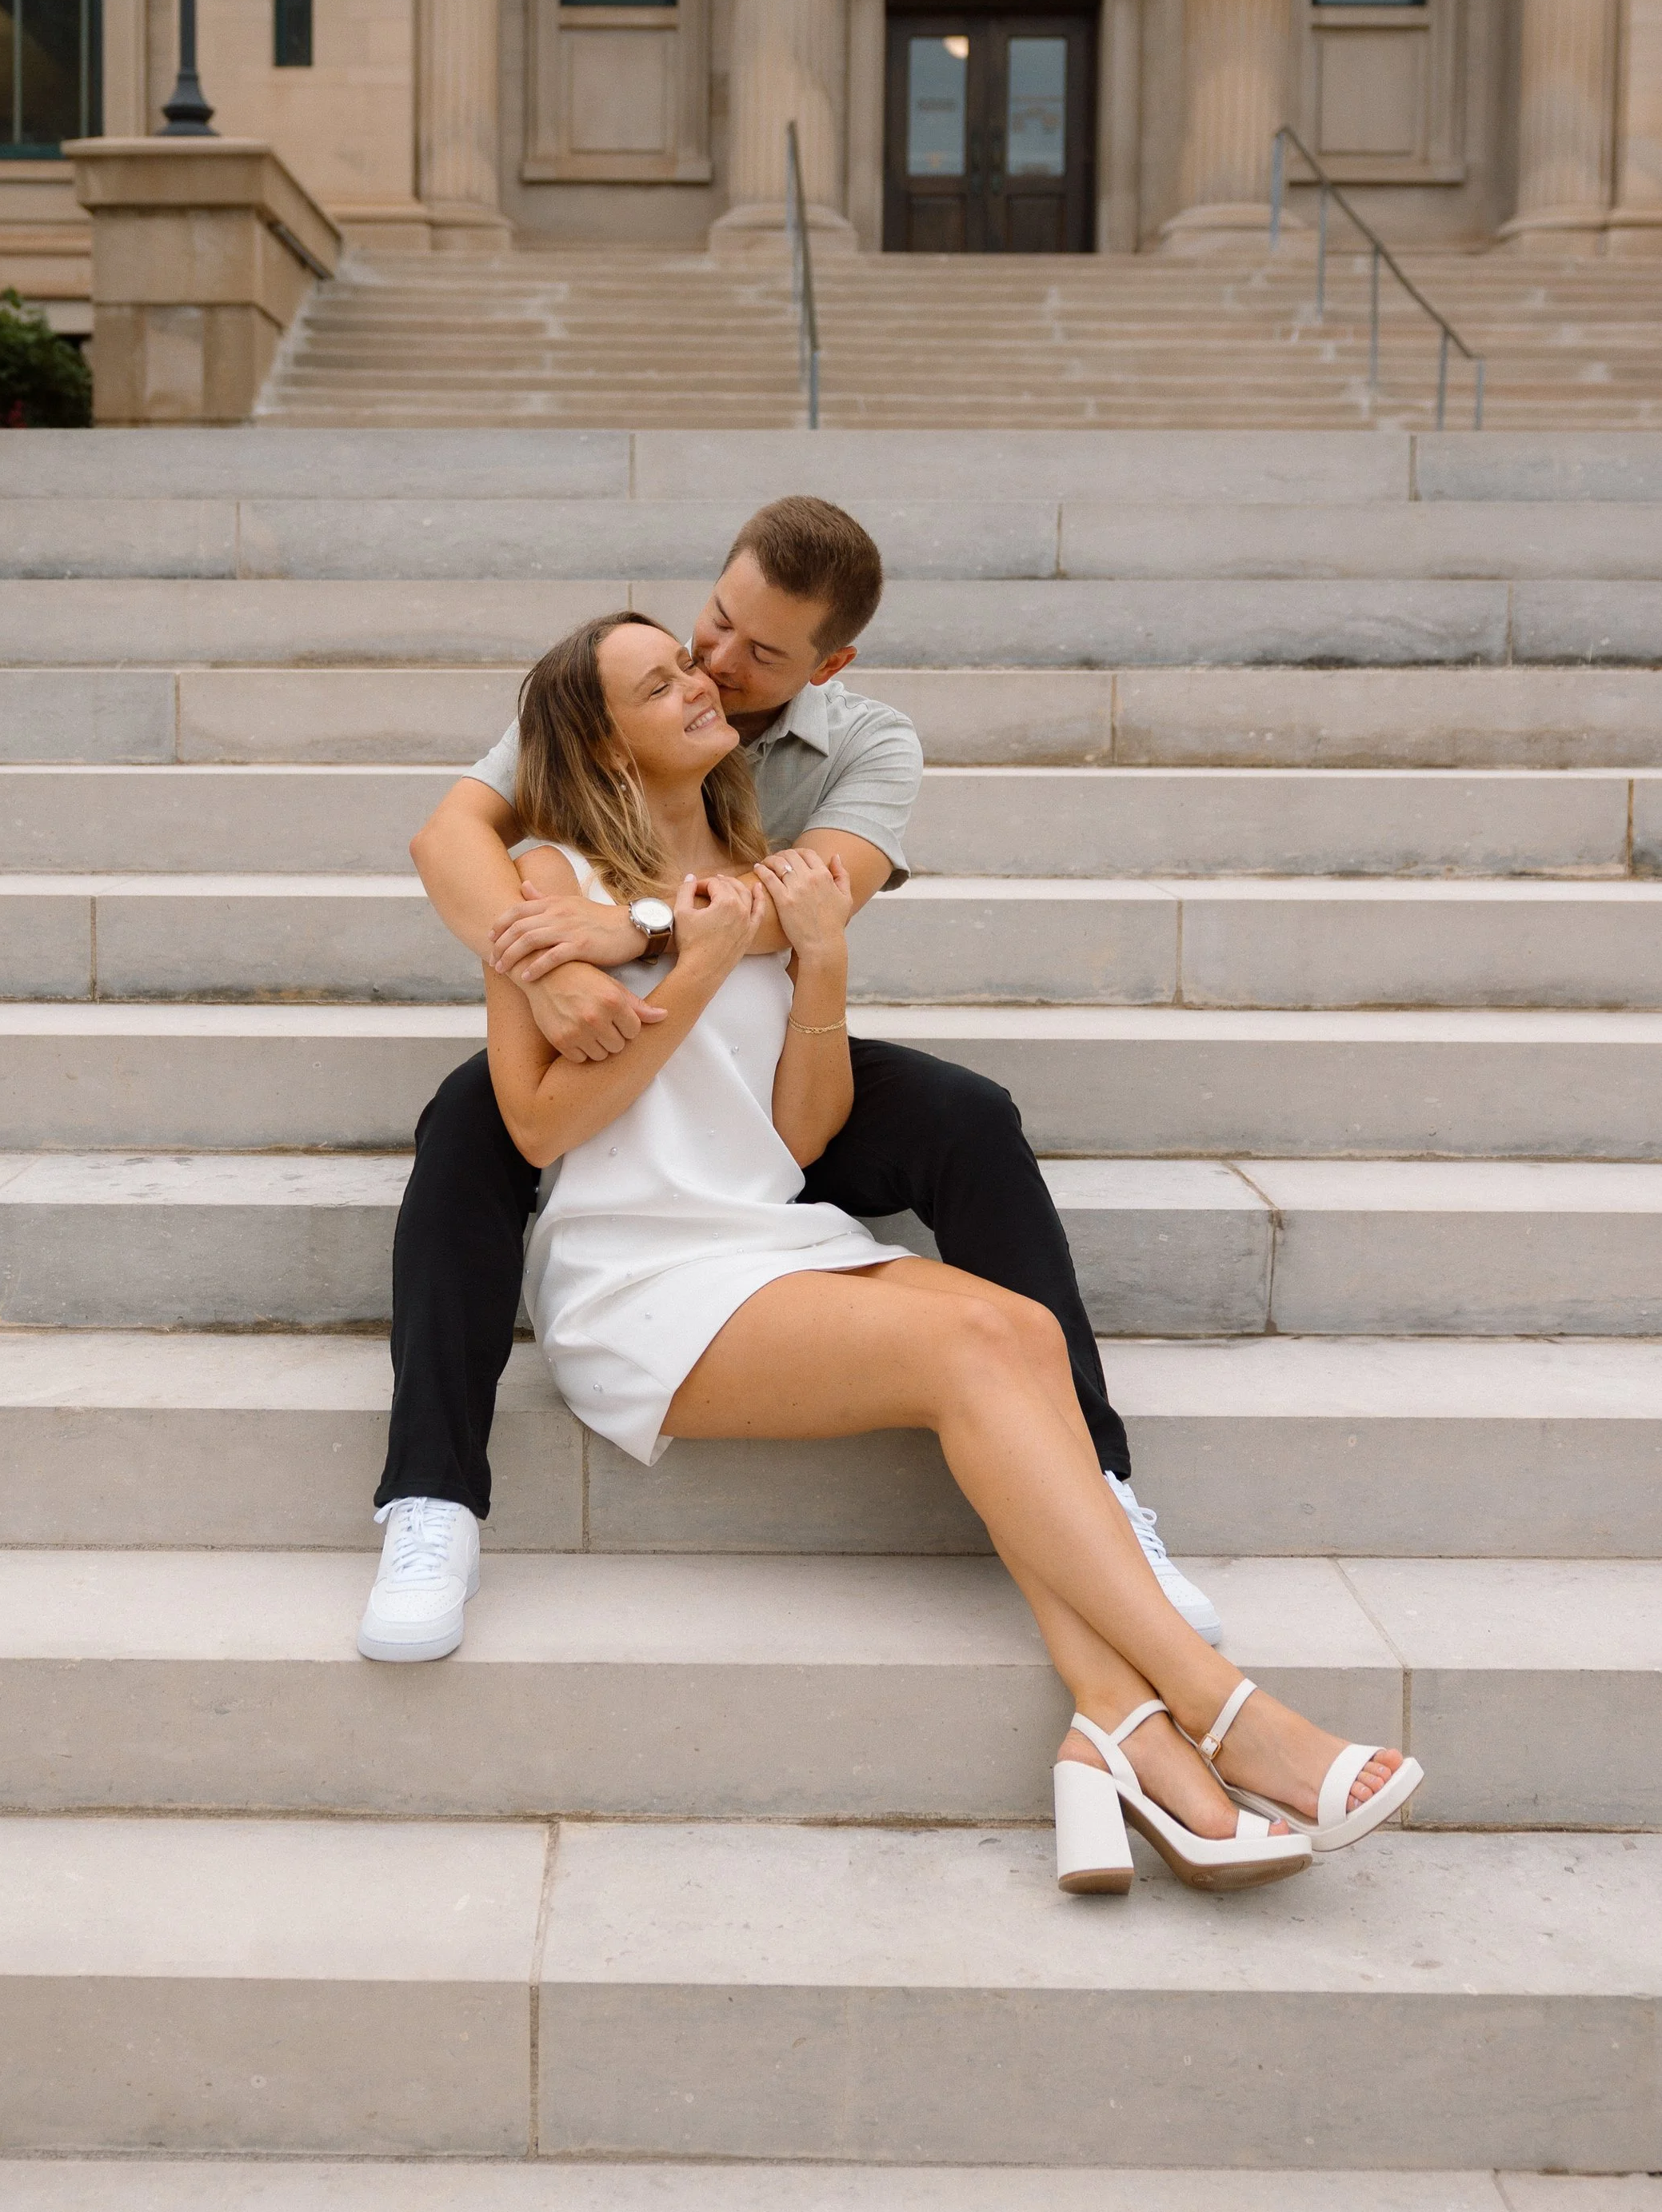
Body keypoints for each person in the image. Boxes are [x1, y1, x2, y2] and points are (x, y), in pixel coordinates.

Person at [485, 609, 1422, 1890]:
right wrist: (692, 970)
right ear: (601, 743)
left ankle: (1116, 1726)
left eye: (689, 664)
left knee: (1021, 1330)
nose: (702, 683)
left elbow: (798, 1134)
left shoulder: (762, 868)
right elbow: (537, 1125)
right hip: (635, 1274)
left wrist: (820, 961)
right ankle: (1224, 1707)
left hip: (763, 1230)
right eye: (659, 684)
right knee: (979, 1338)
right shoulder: (547, 879)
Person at [361, 496, 1215, 1664]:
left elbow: (803, 900)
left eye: (758, 652)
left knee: (970, 1120)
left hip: (746, 1041)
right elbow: (451, 836)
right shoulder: (611, 689)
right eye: (713, 623)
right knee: (471, 1119)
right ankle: (432, 1496)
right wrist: (547, 965)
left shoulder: (868, 743)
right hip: (628, 1098)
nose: (715, 663)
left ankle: (1103, 1489)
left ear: (828, 664)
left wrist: (659, 932)